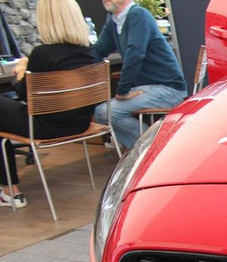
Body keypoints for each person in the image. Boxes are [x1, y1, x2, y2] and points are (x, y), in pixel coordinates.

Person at [0, 0, 99, 209]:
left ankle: (11, 192)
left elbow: (25, 95)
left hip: (46, 127)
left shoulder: (42, 54)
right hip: (80, 124)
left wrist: (21, 70)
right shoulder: (89, 52)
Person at [92, 0, 186, 148]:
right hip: (147, 88)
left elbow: (135, 54)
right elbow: (97, 52)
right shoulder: (115, 22)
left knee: (106, 113)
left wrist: (122, 90)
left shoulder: (138, 15)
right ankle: (151, 149)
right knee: (102, 113)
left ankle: (153, 148)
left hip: (167, 89)